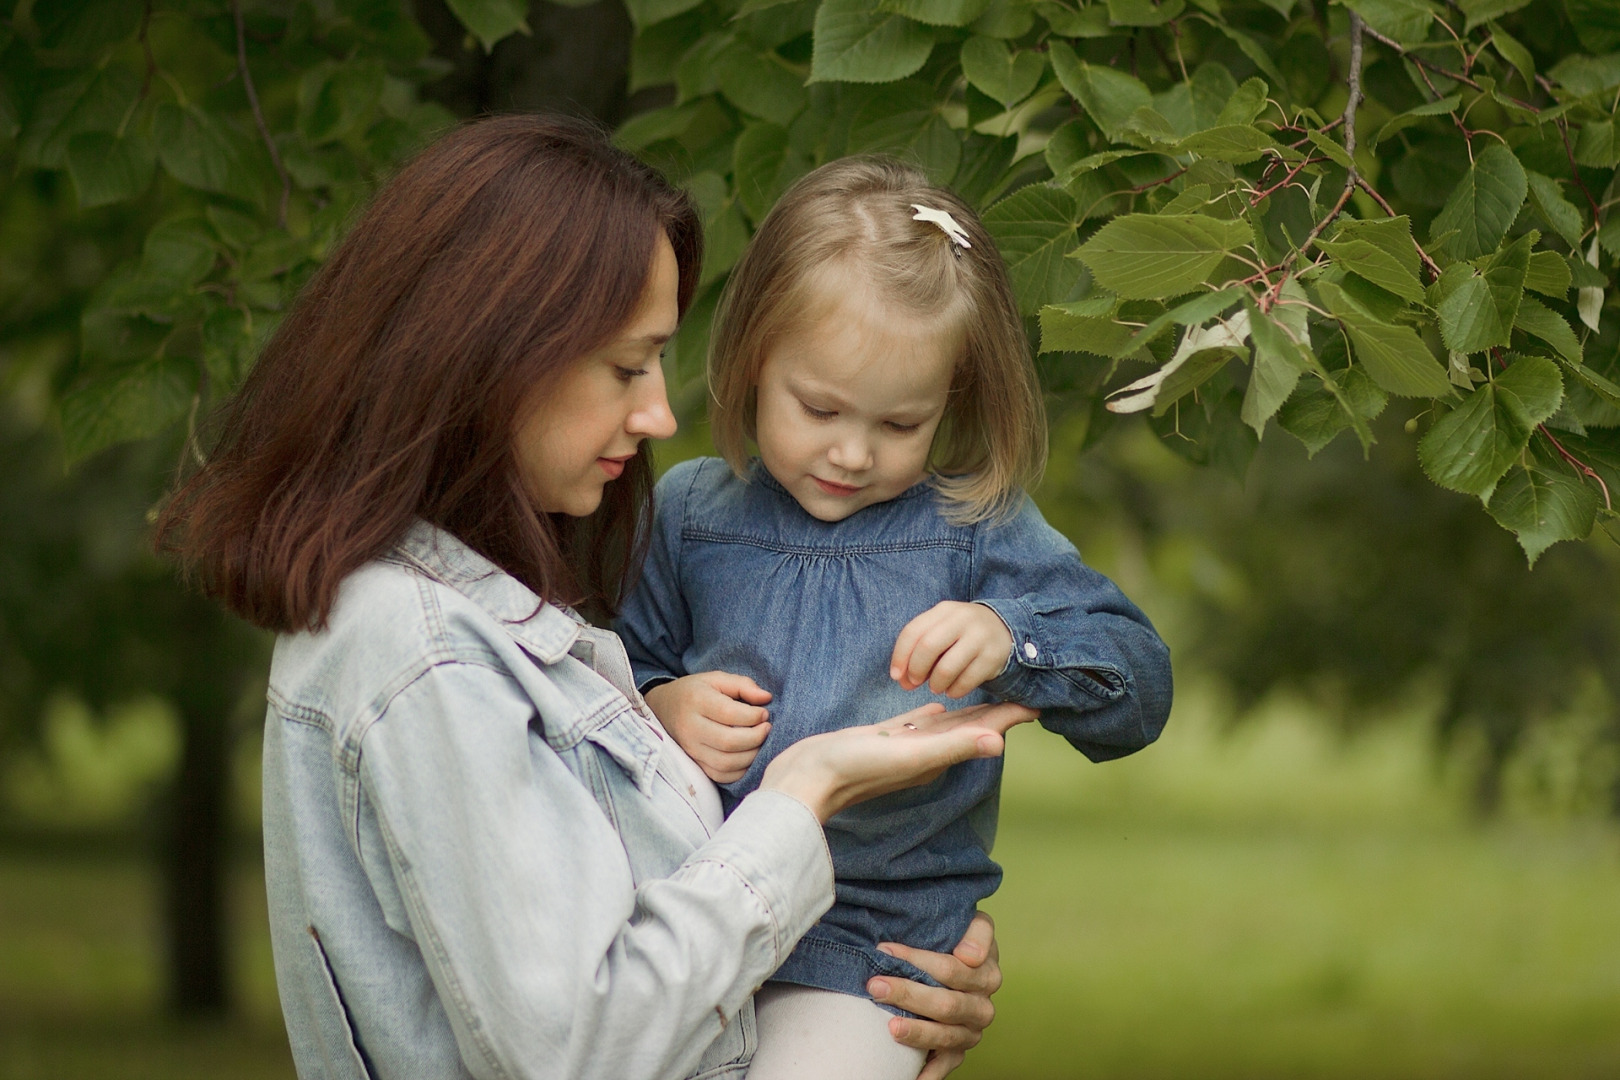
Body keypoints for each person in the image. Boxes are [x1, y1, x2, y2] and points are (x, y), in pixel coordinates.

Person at [152, 116, 1027, 1080]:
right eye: (626, 366)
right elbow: (581, 1050)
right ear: (489, 352)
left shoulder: (487, 606)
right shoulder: (426, 655)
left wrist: (873, 988)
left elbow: (624, 931)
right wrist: (800, 799)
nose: (660, 413)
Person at [616, 158, 1175, 1080]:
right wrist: (666, 704)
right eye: (820, 407)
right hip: (693, 922)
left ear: (948, 402)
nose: (851, 452)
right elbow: (611, 675)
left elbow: (1138, 684)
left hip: (874, 955)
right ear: (754, 358)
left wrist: (1010, 637)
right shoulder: (689, 514)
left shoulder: (970, 531)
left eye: (899, 424)